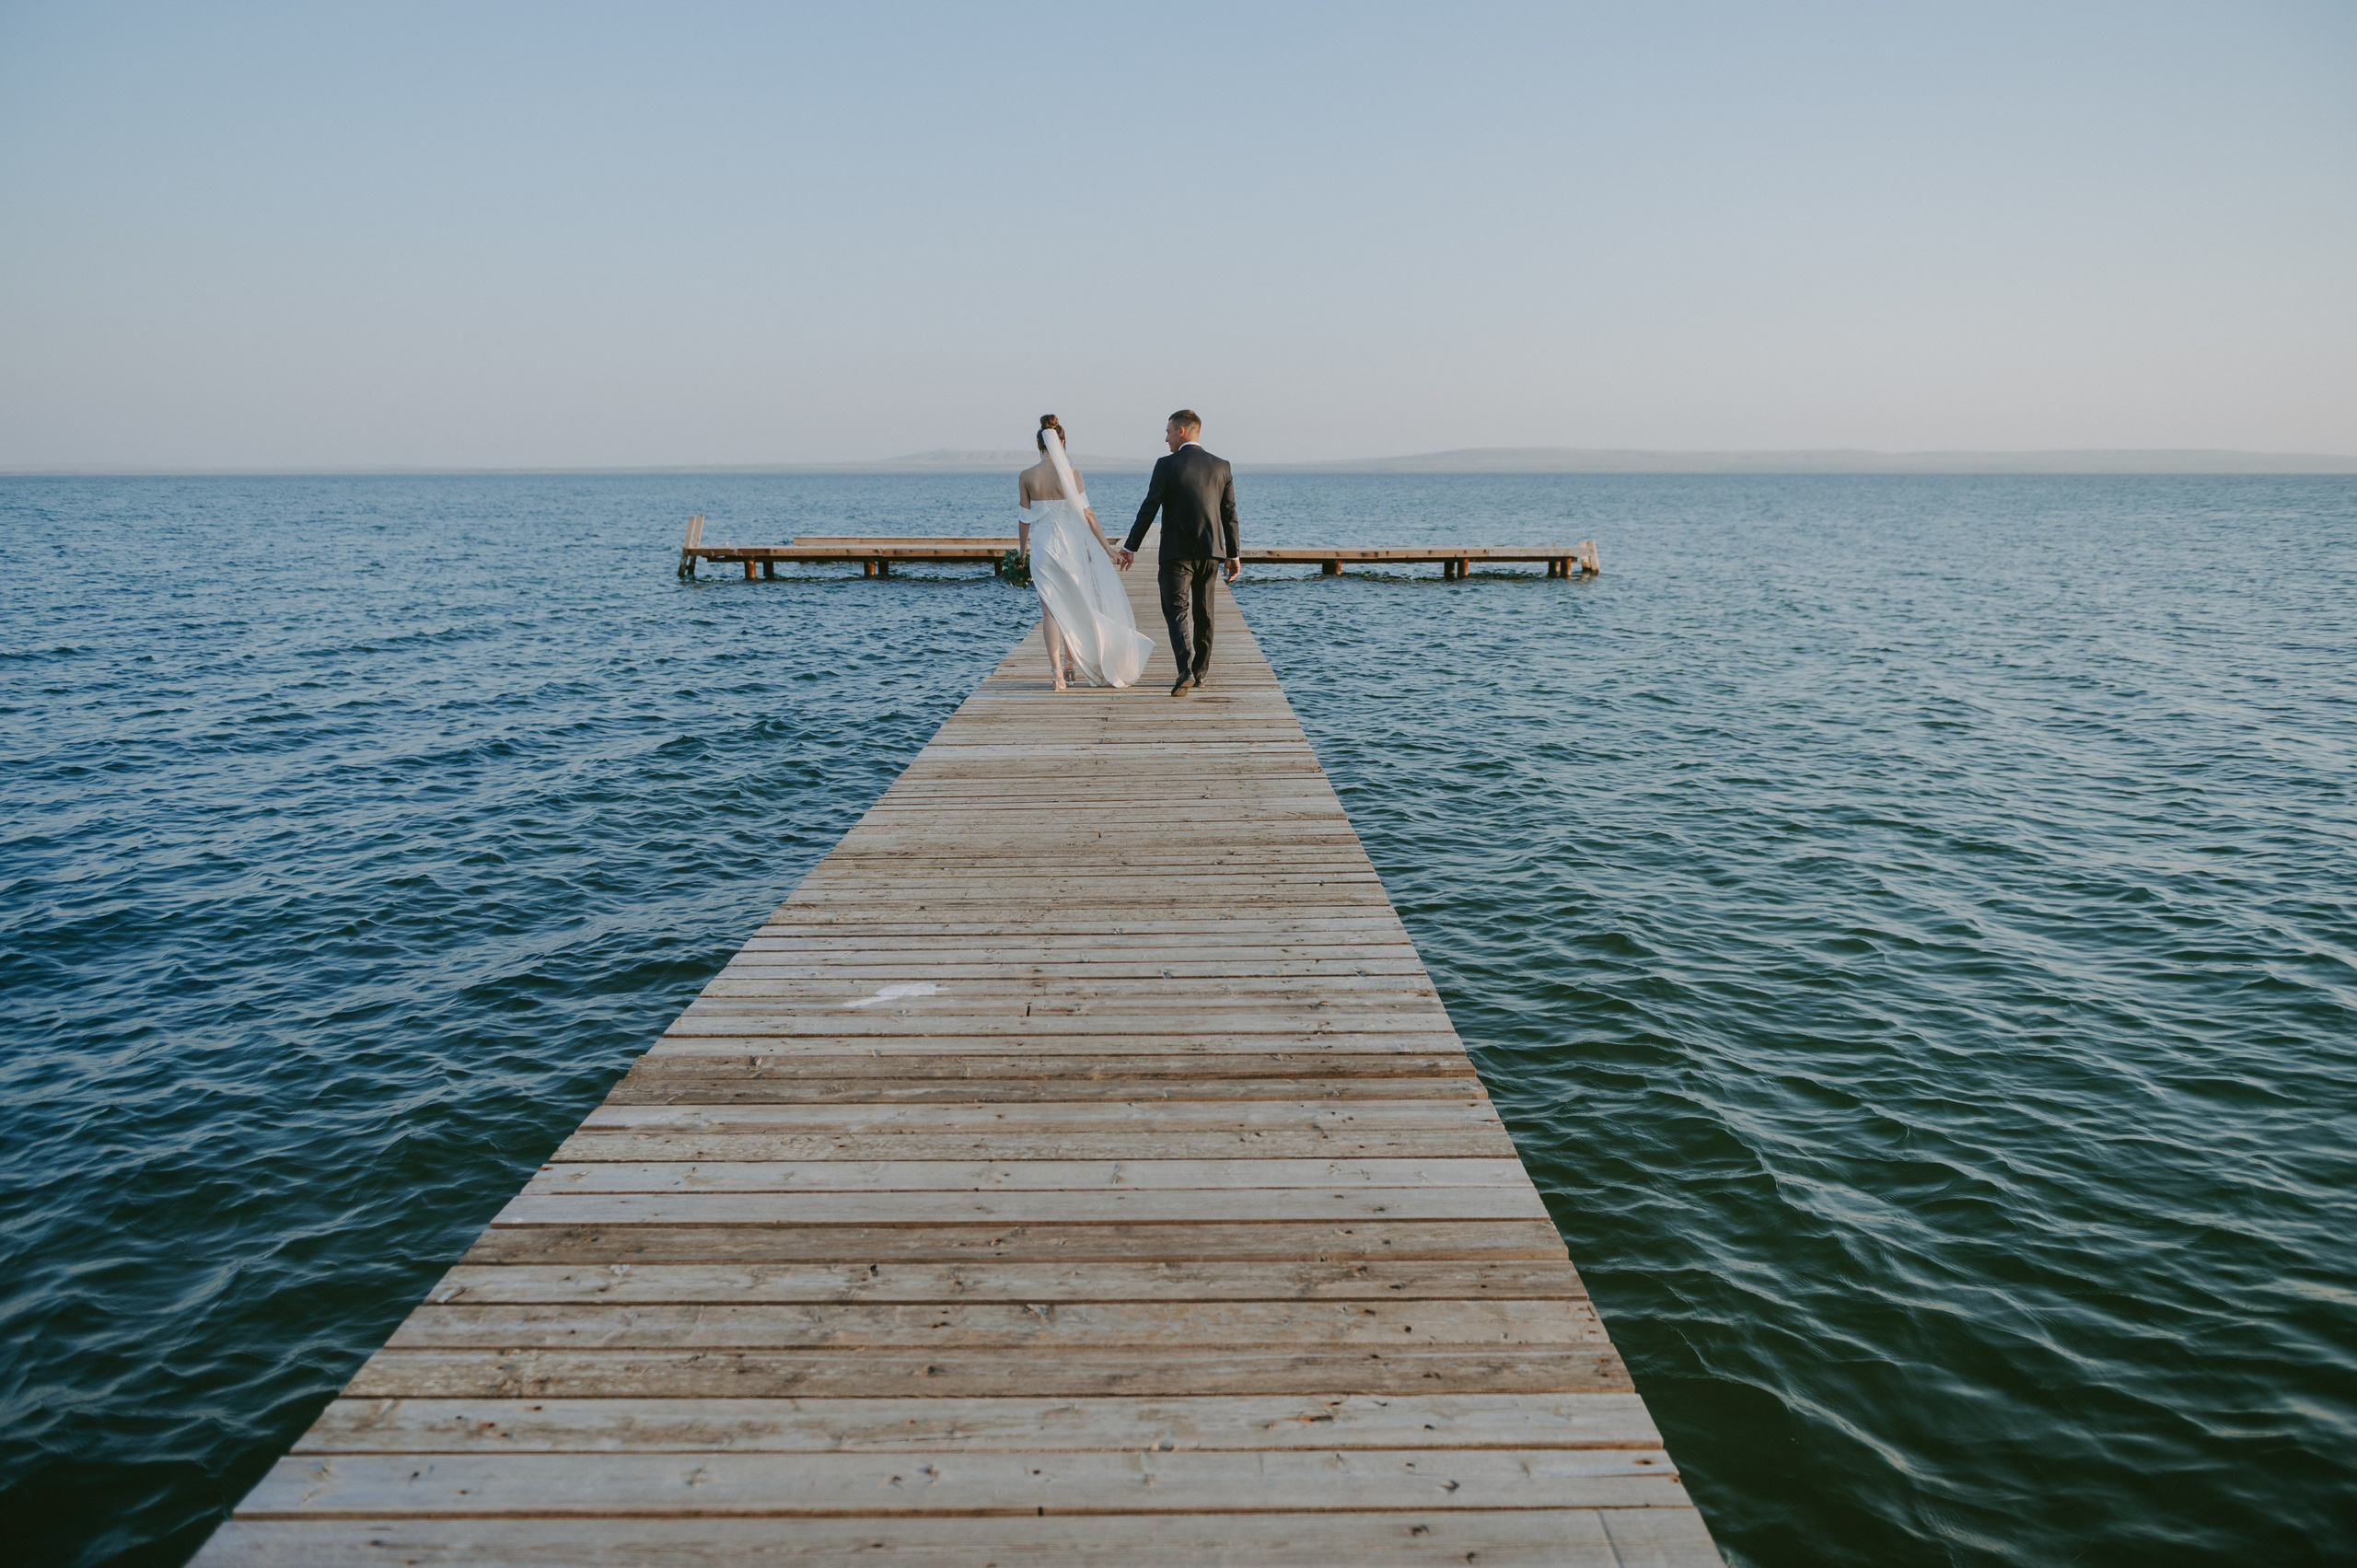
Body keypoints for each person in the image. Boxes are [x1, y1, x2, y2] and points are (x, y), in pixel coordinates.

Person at [1018, 415, 1150, 690]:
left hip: (1043, 548)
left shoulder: (1027, 476)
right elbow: (1088, 515)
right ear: (1062, 442)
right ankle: (1069, 666)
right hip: (1071, 550)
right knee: (1073, 604)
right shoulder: (1073, 474)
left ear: (1039, 445)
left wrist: (1022, 552)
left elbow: (1024, 519)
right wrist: (1109, 549)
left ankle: (1056, 673)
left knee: (1050, 611)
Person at [1116, 409, 1239, 698]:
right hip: (1211, 552)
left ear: (1181, 431)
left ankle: (1184, 668)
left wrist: (1130, 546)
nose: (1166, 438)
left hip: (1175, 554)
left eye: (1169, 431)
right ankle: (1200, 673)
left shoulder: (1166, 465)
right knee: (1205, 612)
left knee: (1176, 610)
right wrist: (1233, 554)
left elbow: (1150, 507)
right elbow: (1229, 513)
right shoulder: (1222, 466)